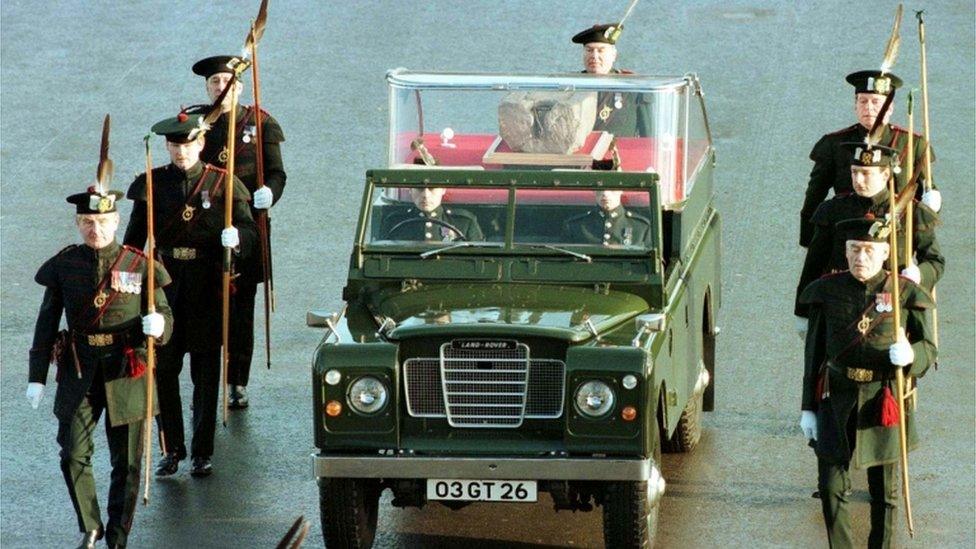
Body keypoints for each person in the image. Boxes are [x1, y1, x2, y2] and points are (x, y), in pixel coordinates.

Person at [27, 185, 173, 548]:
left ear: (116, 221)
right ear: (78, 224)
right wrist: (37, 377)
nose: (96, 230)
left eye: (103, 221)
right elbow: (47, 322)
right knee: (73, 452)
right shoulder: (64, 265)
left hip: (127, 368)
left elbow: (165, 313)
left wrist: (161, 326)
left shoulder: (139, 264)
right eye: (88, 222)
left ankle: (118, 535)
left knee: (127, 462)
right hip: (80, 368)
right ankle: (90, 526)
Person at [124, 110, 256, 478]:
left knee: (205, 373)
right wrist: (130, 288)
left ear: (200, 144)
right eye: (174, 146)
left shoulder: (222, 184)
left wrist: (238, 239)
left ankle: (202, 451)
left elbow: (250, 231)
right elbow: (134, 243)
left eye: (187, 145)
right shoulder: (151, 183)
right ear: (167, 147)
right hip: (165, 287)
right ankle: (172, 449)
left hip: (206, 287)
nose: (180, 152)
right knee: (164, 371)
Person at [798, 216, 936, 548]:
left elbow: (929, 349)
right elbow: (813, 355)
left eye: (869, 250)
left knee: (885, 495)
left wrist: (911, 355)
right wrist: (808, 408)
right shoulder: (827, 291)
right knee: (831, 488)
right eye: (854, 250)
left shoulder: (903, 293)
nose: (861, 258)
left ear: (885, 252)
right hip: (837, 397)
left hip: (883, 399)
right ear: (845, 253)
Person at [190, 55, 287, 409]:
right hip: (203, 228)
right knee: (202, 308)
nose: (221, 87)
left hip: (247, 225)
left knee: (241, 309)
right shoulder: (196, 123)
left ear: (240, 86)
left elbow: (277, 173)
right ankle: (205, 382)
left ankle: (236, 382)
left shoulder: (259, 123)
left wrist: (269, 194)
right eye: (214, 82)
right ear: (207, 87)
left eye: (227, 82)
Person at [795, 144, 944, 334]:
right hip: (840, 306)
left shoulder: (912, 213)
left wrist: (919, 274)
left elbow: (934, 261)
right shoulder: (832, 210)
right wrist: (802, 311)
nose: (858, 180)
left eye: (866, 173)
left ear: (885, 175)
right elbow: (814, 264)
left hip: (892, 306)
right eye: (854, 172)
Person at [799, 70, 942, 247]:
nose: (869, 107)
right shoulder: (833, 144)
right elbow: (814, 197)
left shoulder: (913, 144)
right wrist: (809, 242)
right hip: (848, 239)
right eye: (863, 101)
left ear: (890, 108)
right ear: (855, 105)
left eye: (876, 102)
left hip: (896, 240)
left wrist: (932, 205)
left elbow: (927, 197)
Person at [572, 23, 650, 137]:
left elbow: (649, 135)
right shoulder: (571, 86)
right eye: (589, 50)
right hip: (581, 153)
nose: (594, 56)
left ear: (614, 55)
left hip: (619, 153)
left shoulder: (632, 87)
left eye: (600, 50)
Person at [381, 187, 484, 242]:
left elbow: (480, 261)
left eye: (432, 188)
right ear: (410, 190)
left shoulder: (464, 221)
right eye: (419, 188)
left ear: (443, 189)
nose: (425, 195)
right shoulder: (394, 221)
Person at [561, 188, 651, 246]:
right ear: (594, 190)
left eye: (611, 188)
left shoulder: (641, 227)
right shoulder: (575, 226)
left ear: (621, 189)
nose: (605, 193)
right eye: (600, 188)